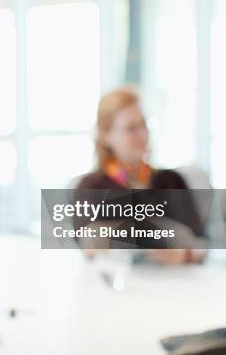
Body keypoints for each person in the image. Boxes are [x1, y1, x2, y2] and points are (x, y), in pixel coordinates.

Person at [74, 87, 206, 264]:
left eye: (143, 125)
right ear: (106, 136)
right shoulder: (91, 187)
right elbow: (90, 245)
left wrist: (186, 255)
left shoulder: (172, 181)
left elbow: (201, 243)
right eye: (131, 129)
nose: (143, 135)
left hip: (177, 280)